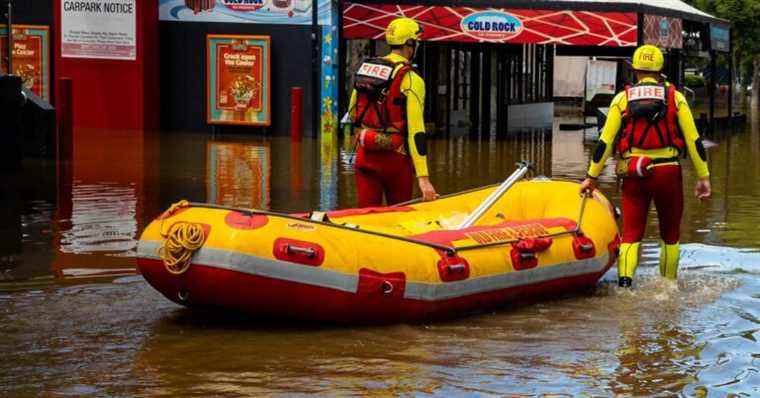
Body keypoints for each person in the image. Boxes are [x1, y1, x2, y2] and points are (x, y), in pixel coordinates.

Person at [580, 45, 711, 288]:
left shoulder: (622, 98)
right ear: (661, 69)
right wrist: (703, 176)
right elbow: (694, 140)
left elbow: (605, 142)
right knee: (670, 234)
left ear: (635, 69)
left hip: (633, 172)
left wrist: (591, 176)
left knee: (630, 234)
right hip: (668, 172)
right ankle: (668, 287)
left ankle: (625, 286)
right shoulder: (676, 97)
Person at [347, 17, 437, 207]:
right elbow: (416, 131)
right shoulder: (411, 79)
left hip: (365, 154)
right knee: (399, 218)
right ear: (409, 44)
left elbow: (352, 110)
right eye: (416, 42)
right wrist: (423, 178)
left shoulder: (367, 69)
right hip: (395, 160)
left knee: (366, 218)